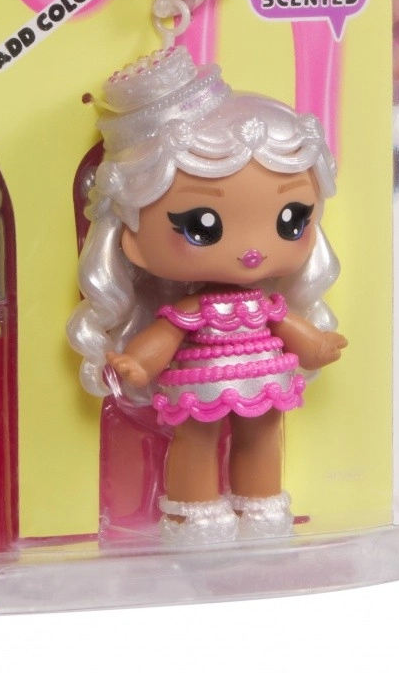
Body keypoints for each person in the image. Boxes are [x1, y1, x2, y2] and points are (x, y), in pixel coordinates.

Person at [68, 47, 346, 543]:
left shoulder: (266, 306)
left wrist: (318, 344)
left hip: (263, 379)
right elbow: (164, 336)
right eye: (202, 225)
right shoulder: (191, 309)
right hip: (200, 384)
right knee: (196, 436)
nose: (253, 252)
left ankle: (261, 502)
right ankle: (194, 511)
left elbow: (288, 325)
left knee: (262, 433)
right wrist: (138, 363)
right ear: (132, 238)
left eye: (292, 220)